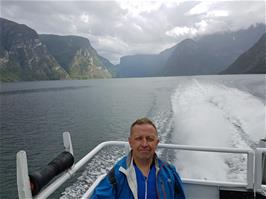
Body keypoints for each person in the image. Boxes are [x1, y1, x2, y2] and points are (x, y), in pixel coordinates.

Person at [91, 117, 186, 199]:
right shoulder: (118, 174)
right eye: (139, 138)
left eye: (149, 139)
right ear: (130, 142)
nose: (144, 144)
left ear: (156, 143)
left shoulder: (170, 172)